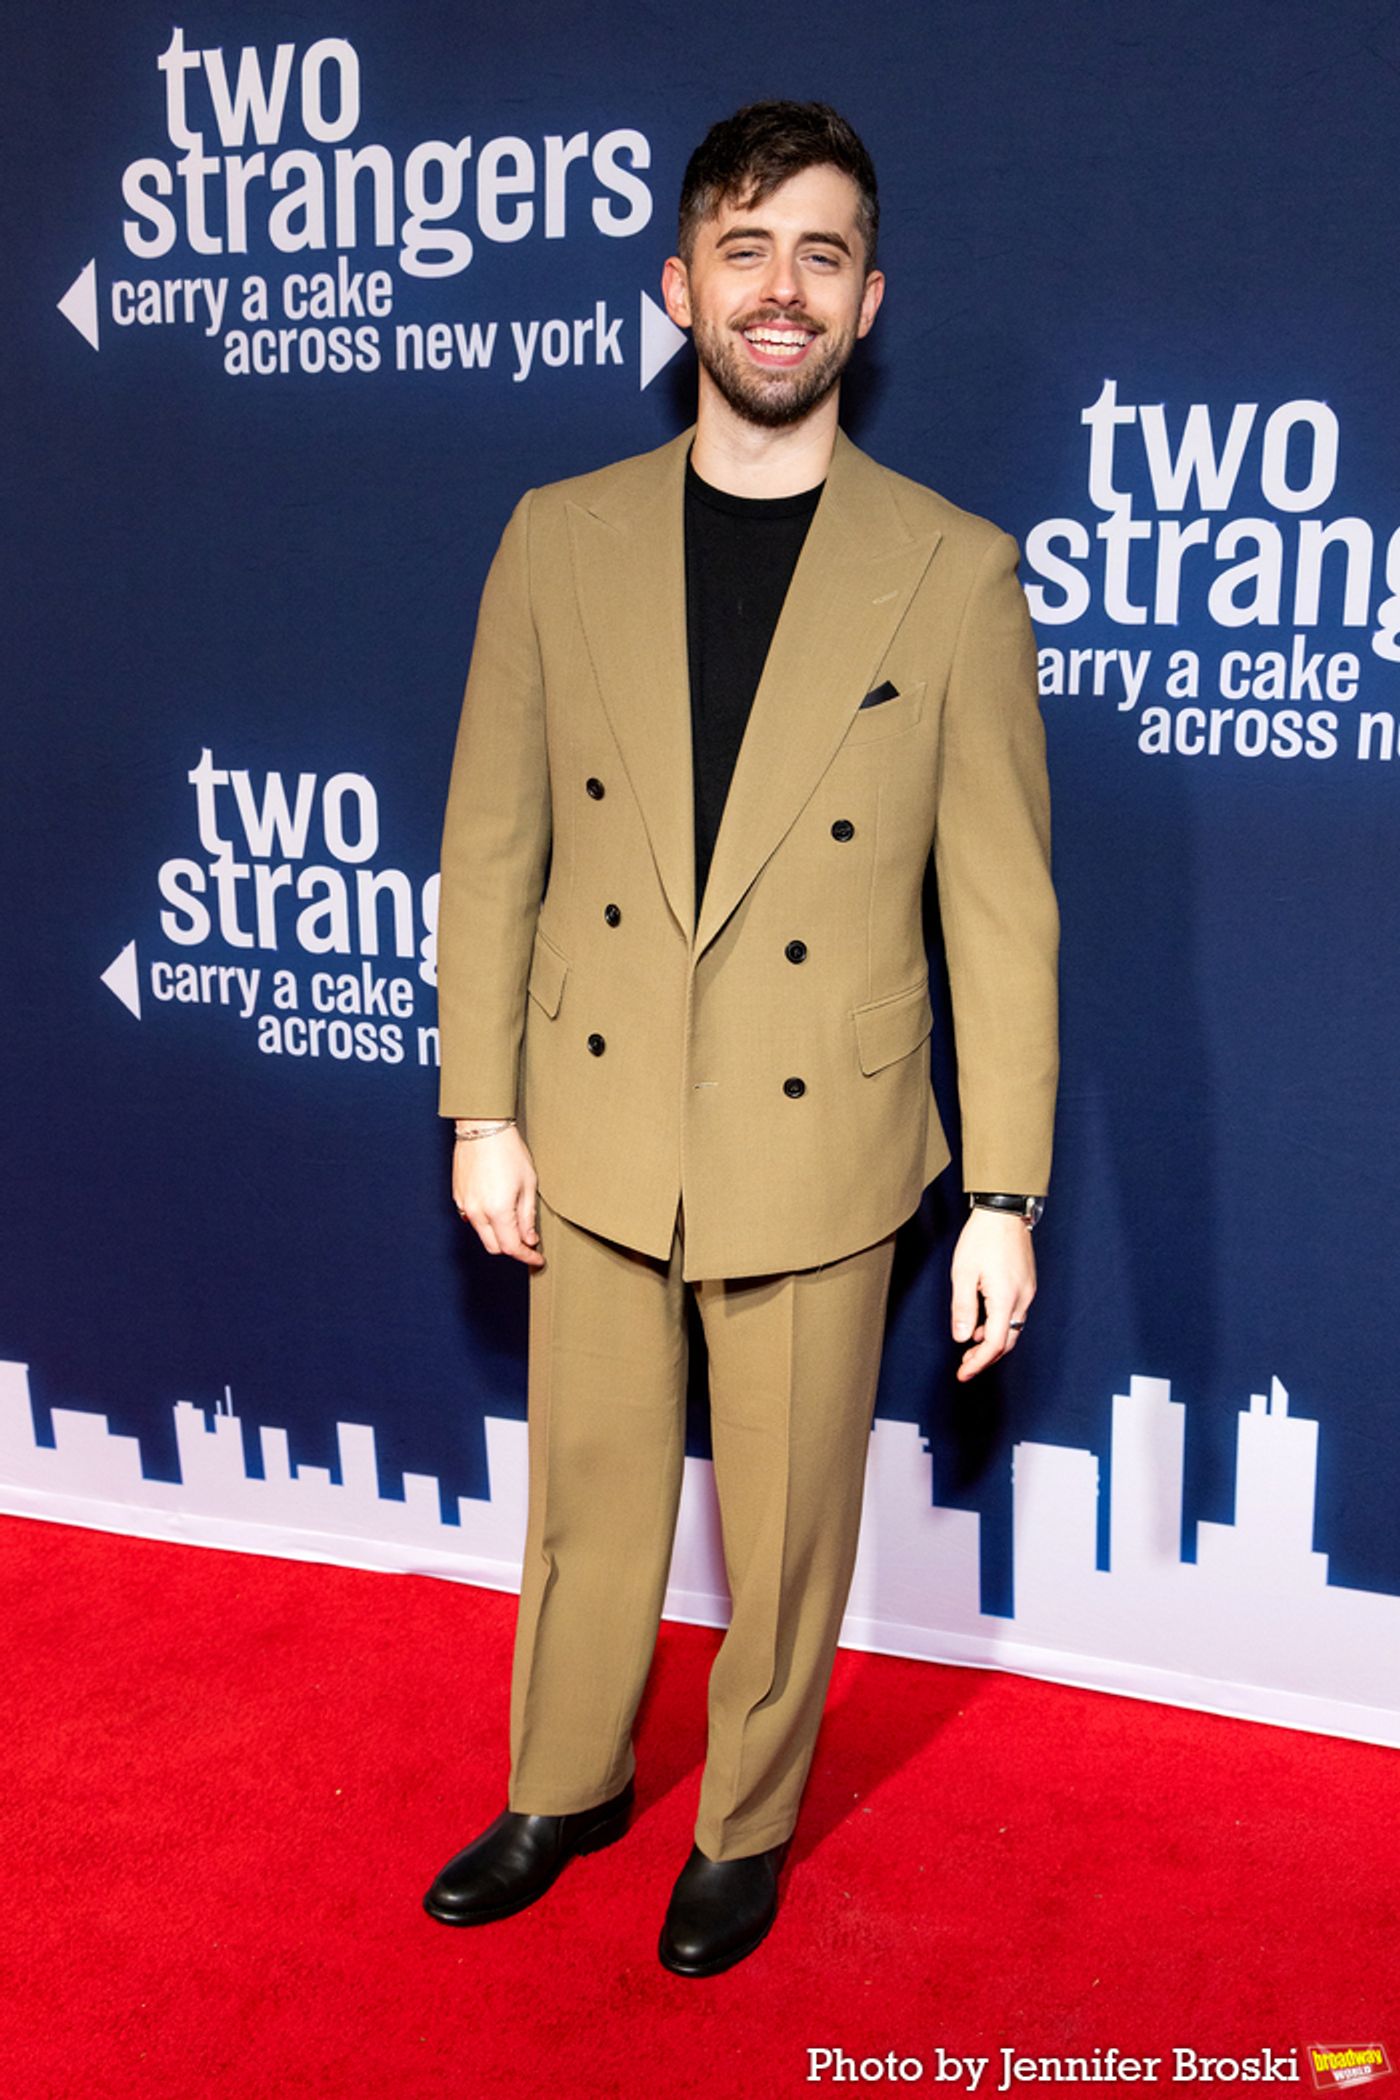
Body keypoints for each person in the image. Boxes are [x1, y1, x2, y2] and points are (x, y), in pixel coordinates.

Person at [423, 100, 1059, 1977]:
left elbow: (1002, 910)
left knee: (784, 1532)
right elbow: (491, 846)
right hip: (597, 1109)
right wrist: (481, 1108)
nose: (781, 291)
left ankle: (748, 1820)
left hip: (825, 1134)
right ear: (681, 285)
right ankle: (565, 1781)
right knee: (589, 1499)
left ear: (872, 303)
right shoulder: (556, 539)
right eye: (747, 248)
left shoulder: (954, 571)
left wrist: (1003, 1191)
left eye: (824, 254)